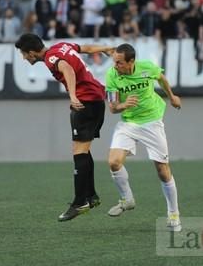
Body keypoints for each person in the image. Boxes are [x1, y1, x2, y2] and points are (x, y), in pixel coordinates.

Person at [14, 33, 114, 222]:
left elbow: (66, 68)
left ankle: (79, 202)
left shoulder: (52, 58)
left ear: (33, 52)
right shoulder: (61, 46)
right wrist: (106, 49)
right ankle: (91, 195)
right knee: (82, 150)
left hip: (85, 102)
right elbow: (86, 48)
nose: (24, 58)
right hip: (95, 100)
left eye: (24, 54)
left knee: (79, 151)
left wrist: (73, 96)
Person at [105, 43, 183, 232]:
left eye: (120, 63)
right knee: (114, 162)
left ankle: (173, 213)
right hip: (128, 123)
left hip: (152, 122)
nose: (116, 66)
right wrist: (124, 105)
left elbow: (161, 77)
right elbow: (113, 108)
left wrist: (171, 96)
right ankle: (127, 199)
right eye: (115, 62)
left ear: (132, 61)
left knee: (162, 170)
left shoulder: (147, 67)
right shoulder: (112, 75)